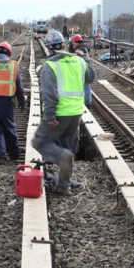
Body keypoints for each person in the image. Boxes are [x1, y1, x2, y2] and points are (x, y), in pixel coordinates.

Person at [33, 31, 96, 194]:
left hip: (59, 113)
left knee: (40, 142)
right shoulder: (78, 61)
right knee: (69, 145)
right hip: (75, 112)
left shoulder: (50, 66)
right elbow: (91, 78)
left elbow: (49, 95)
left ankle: (61, 157)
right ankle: (64, 185)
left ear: (48, 48)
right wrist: (85, 58)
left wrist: (50, 116)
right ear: (64, 45)